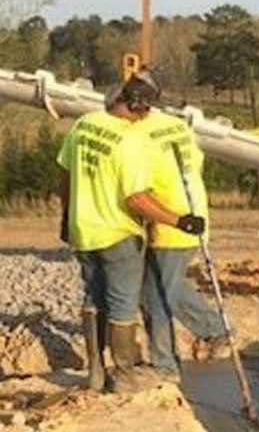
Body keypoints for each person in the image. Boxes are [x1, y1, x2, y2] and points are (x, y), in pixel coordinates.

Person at [57, 71, 206, 393]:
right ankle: (124, 374)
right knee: (123, 303)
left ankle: (95, 372)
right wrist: (180, 220)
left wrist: (67, 216)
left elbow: (64, 173)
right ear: (139, 108)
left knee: (92, 298)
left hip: (83, 230)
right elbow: (137, 199)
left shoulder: (83, 125)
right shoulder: (128, 142)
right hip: (117, 233)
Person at [128, 96, 228, 383]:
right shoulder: (176, 126)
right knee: (165, 286)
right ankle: (212, 327)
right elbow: (195, 163)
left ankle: (166, 365)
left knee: (155, 297)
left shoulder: (138, 136)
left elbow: (136, 190)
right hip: (193, 215)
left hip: (172, 225)